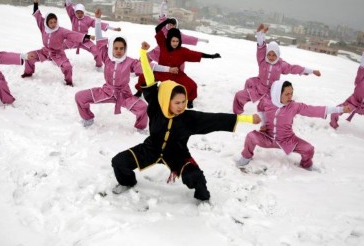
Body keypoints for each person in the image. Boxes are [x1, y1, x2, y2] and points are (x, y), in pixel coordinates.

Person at [111, 42, 261, 202]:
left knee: (196, 177)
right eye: (177, 103)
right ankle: (128, 182)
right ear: (166, 100)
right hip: (150, 149)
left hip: (177, 155)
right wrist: (142, 53)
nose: (181, 106)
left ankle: (203, 199)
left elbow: (217, 119)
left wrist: (248, 118)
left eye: (184, 102)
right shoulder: (156, 106)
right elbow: (149, 77)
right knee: (119, 162)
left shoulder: (189, 118)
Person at [237, 80, 351, 171]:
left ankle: (306, 165)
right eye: (286, 94)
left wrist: (340, 109)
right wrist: (263, 123)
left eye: (291, 93)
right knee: (251, 136)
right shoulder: (267, 102)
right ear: (278, 93)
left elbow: (314, 110)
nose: (290, 96)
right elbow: (260, 108)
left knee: (309, 149)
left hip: (288, 140)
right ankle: (246, 157)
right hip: (268, 138)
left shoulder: (294, 106)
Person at [74, 10, 148, 132]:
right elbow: (99, 39)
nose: (119, 51)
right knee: (80, 96)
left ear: (125, 49)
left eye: (121, 48)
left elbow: (144, 68)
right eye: (116, 48)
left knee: (143, 107)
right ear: (111, 48)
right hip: (106, 91)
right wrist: (97, 20)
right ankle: (88, 119)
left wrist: (143, 53)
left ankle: (140, 129)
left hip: (124, 95)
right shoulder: (106, 57)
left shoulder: (130, 61)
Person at [233, 23, 321, 114]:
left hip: (272, 92)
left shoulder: (281, 65)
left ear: (278, 55)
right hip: (259, 88)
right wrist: (260, 34)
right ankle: (237, 113)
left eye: (274, 55)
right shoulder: (262, 60)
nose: (271, 57)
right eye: (269, 54)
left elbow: (294, 68)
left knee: (271, 108)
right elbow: (261, 47)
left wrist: (311, 71)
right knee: (240, 94)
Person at [141, 18, 220, 109]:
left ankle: (190, 100)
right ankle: (140, 91)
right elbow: (157, 29)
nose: (175, 43)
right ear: (169, 40)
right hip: (161, 72)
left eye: (177, 41)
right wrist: (167, 21)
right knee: (143, 77)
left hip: (176, 74)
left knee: (192, 85)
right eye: (173, 41)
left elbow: (197, 54)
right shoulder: (163, 44)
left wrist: (211, 56)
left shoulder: (183, 51)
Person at [21, 0, 94, 86]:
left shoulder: (61, 31)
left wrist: (87, 36)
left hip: (58, 54)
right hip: (45, 51)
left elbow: (74, 35)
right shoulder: (43, 27)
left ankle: (68, 82)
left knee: (67, 67)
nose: (53, 24)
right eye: (51, 22)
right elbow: (38, 16)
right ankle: (28, 73)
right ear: (47, 23)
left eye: (55, 22)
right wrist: (35, 2)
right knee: (29, 56)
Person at [133, 8, 209, 96]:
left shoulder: (179, 35)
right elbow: (161, 19)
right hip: (158, 52)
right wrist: (162, 6)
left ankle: (180, 91)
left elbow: (190, 38)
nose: (171, 26)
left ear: (176, 26)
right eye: (170, 24)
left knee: (177, 75)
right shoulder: (164, 30)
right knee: (144, 60)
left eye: (173, 25)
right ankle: (139, 82)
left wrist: (202, 40)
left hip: (172, 58)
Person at [64, 0, 121, 70]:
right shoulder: (73, 17)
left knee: (97, 52)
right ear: (75, 12)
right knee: (56, 46)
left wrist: (113, 28)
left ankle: (99, 66)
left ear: (83, 12)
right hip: (73, 40)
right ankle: (51, 58)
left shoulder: (87, 19)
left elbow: (99, 24)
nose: (79, 14)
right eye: (77, 12)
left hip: (85, 41)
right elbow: (68, 5)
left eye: (81, 12)